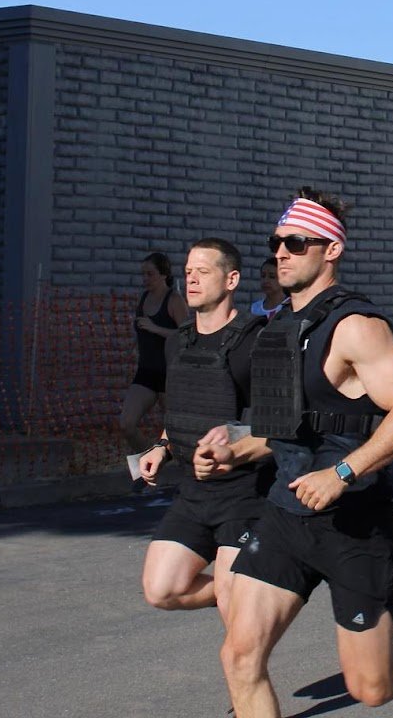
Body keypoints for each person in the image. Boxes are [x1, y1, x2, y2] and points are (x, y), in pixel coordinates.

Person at [196, 189, 393, 716]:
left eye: (294, 242)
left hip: (353, 523)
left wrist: (342, 472)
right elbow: (283, 429)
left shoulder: (357, 326)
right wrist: (234, 453)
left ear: (330, 249)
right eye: (276, 244)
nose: (280, 253)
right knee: (239, 658)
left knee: (372, 689)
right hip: (286, 516)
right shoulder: (282, 326)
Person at [139, 238, 270, 624]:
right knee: (161, 589)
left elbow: (278, 426)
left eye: (203, 272)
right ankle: (251, 590)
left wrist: (231, 445)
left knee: (236, 623)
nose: (191, 280)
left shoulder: (257, 340)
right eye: (188, 272)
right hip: (194, 491)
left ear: (231, 280)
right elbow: (181, 407)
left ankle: (244, 593)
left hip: (246, 493)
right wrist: (161, 446)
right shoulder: (178, 341)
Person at [120, 252, 188, 453]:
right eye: (143, 274)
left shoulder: (174, 299)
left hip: (170, 373)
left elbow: (187, 334)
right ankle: (147, 461)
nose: (145, 279)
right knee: (126, 424)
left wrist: (155, 328)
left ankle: (190, 471)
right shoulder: (144, 299)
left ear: (164, 274)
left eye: (150, 274)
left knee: (178, 433)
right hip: (147, 371)